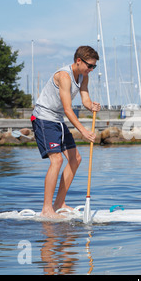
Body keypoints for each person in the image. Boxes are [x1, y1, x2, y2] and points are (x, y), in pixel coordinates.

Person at [31, 46, 101, 218]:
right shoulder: (64, 76)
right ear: (79, 61)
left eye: (94, 67)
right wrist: (83, 131)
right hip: (43, 118)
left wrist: (91, 105)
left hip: (57, 119)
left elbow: (85, 97)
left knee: (75, 159)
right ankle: (46, 209)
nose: (91, 69)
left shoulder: (84, 76)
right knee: (57, 160)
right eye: (89, 66)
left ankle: (59, 203)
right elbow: (69, 110)